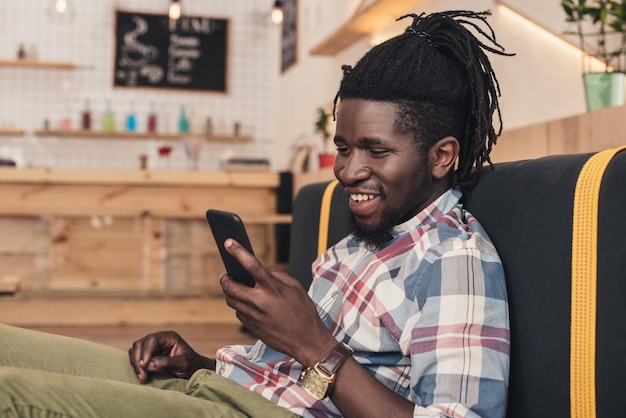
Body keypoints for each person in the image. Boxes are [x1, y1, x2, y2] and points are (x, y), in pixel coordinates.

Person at [0, 10, 511, 418]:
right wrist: (195, 363)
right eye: (344, 147)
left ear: (442, 156)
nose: (348, 170)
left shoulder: (453, 259)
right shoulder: (368, 239)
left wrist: (314, 343)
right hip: (218, 389)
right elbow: (308, 381)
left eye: (375, 150)